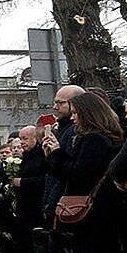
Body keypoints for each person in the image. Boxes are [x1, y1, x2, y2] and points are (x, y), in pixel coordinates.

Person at [43, 92, 125, 253]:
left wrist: (57, 153)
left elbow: (77, 173)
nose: (73, 118)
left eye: (77, 113)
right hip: (98, 214)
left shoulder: (94, 140)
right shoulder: (101, 138)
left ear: (88, 114)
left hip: (95, 215)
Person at [7, 125, 46, 253]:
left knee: (35, 245)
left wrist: (22, 182)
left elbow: (45, 180)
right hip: (24, 208)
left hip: (36, 208)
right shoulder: (26, 157)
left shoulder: (41, 156)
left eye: (25, 138)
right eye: (21, 138)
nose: (22, 142)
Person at [43, 85, 85, 218]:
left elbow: (68, 171)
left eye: (60, 103)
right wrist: (49, 156)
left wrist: (56, 153)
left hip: (68, 204)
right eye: (55, 102)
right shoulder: (62, 129)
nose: (55, 107)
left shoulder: (75, 131)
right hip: (59, 200)